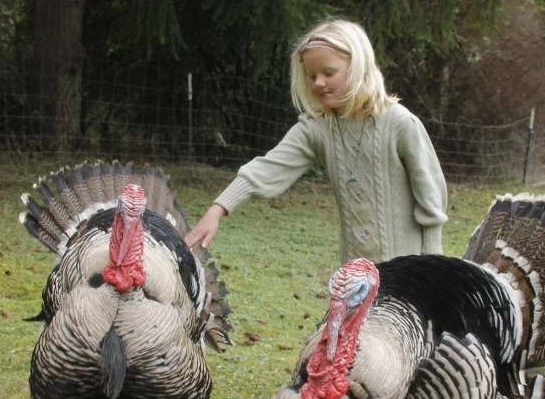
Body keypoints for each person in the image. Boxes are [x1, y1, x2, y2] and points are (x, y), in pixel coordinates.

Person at [184, 18, 448, 264]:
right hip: (354, 277)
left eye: (328, 73)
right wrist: (217, 210)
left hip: (411, 274)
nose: (318, 83)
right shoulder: (318, 129)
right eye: (312, 76)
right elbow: (268, 167)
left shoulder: (399, 123)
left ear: (357, 67)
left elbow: (431, 195)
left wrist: (433, 264)